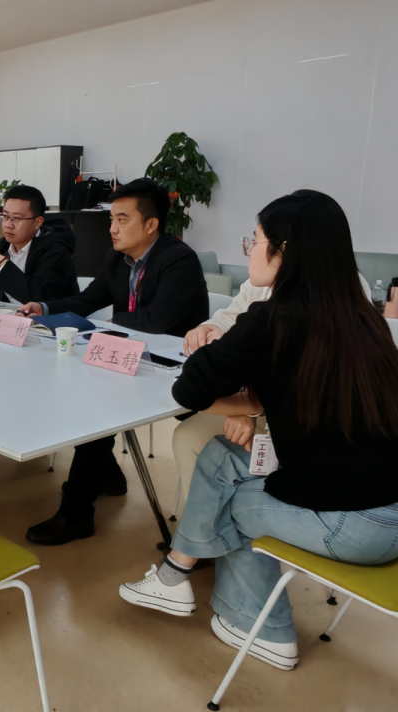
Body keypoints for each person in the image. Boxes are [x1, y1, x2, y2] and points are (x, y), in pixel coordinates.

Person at [119, 190, 398, 671]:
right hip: (387, 505)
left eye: (255, 240)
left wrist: (227, 352)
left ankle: (263, 629)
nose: (249, 250)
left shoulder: (275, 318)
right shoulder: (364, 320)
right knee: (221, 455)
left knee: (228, 501)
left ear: (284, 253)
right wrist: (252, 400)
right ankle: (175, 579)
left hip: (355, 527)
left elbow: (190, 388)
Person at [19, 178, 208, 545]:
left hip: (171, 370)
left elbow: (157, 321)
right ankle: (106, 474)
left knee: (98, 406)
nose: (112, 228)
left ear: (151, 224)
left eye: (122, 219)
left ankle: (76, 512)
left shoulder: (178, 260)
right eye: (111, 219)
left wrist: (105, 325)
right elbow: (88, 299)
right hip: (129, 361)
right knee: (78, 390)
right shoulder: (117, 259)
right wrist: (44, 308)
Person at [171, 272, 373, 516]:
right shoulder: (259, 284)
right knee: (188, 436)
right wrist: (211, 327)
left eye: (253, 248)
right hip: (263, 400)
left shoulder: (327, 292)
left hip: (307, 418)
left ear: (281, 251)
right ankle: (206, 531)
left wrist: (249, 405)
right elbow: (231, 316)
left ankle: (219, 527)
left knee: (211, 453)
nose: (250, 255)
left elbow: (305, 377)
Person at [0, 184, 77, 304]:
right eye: (5, 217)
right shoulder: (2, 246)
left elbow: (41, 300)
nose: (8, 225)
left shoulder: (55, 251)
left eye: (17, 218)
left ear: (37, 222)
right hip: (8, 314)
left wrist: (2, 264)